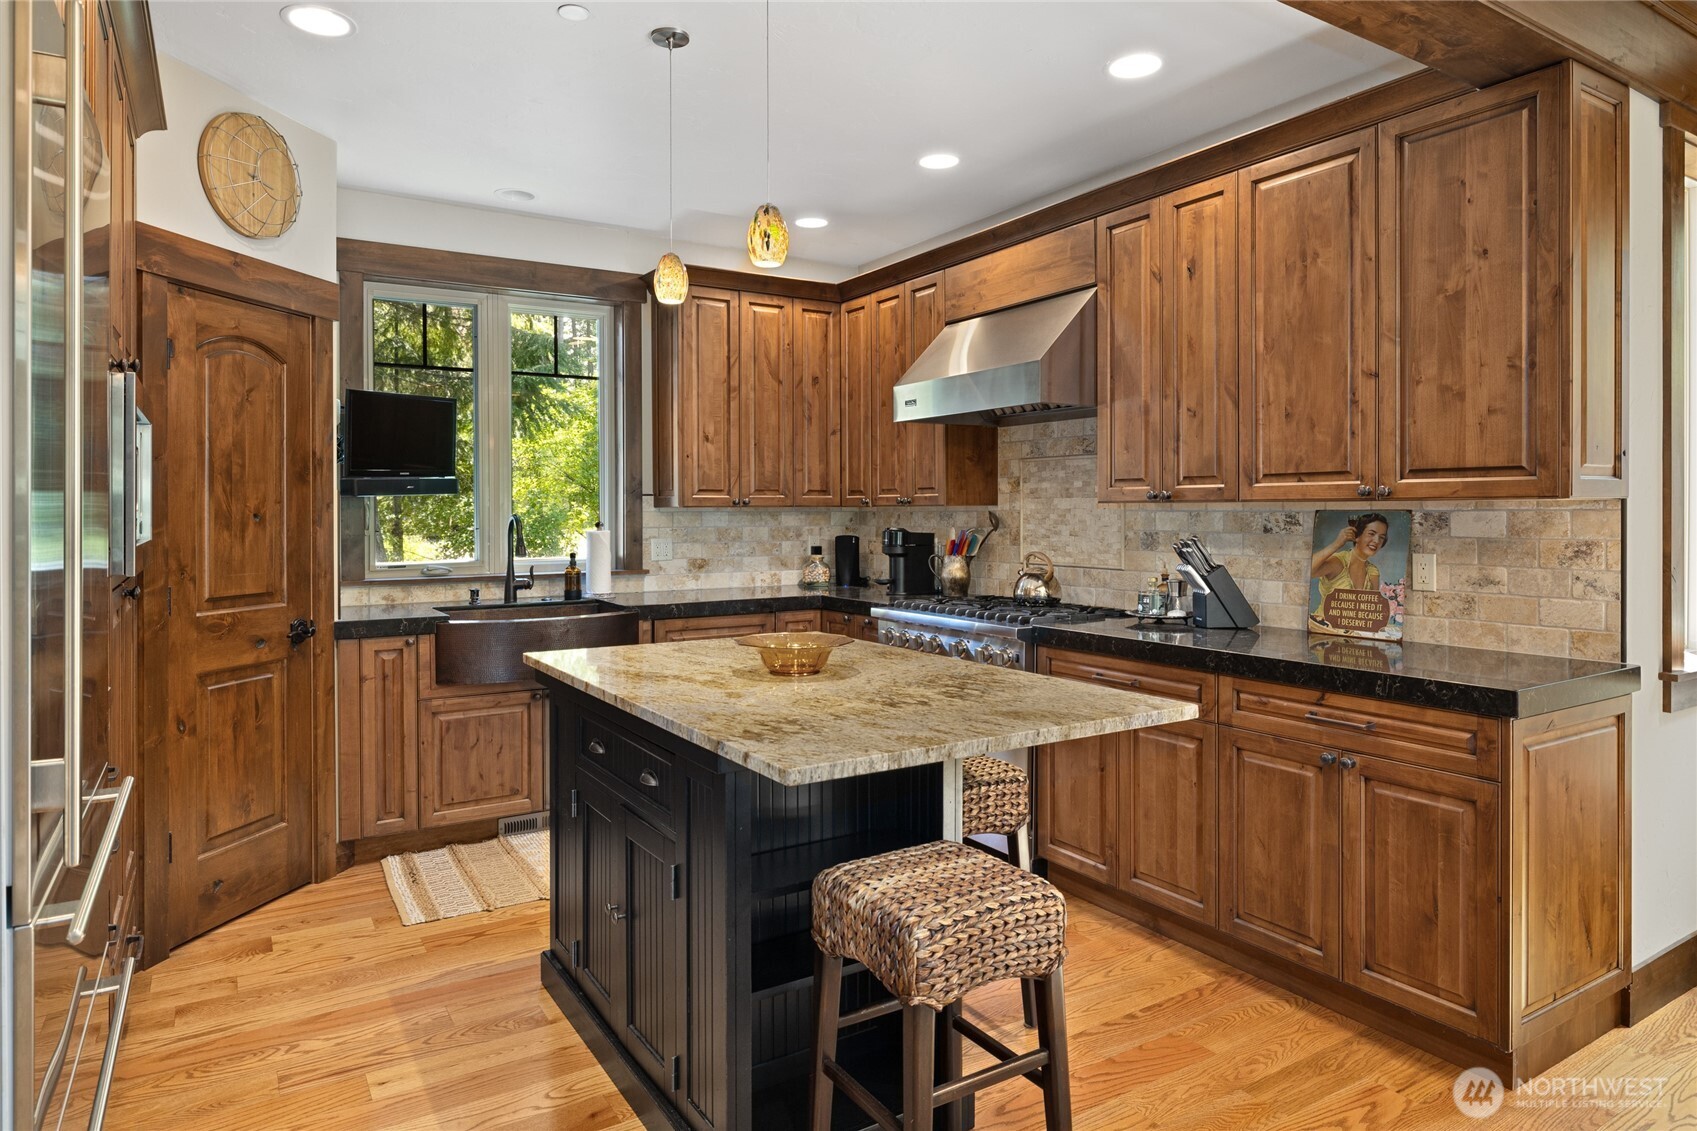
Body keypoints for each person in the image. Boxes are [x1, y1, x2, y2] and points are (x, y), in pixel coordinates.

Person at [1310, 513, 1390, 601]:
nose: (1377, 541)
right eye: (1371, 534)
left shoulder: (1373, 571)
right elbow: (1307, 571)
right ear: (1357, 535)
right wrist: (1336, 544)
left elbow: (1373, 606)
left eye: (1381, 537)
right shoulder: (1339, 562)